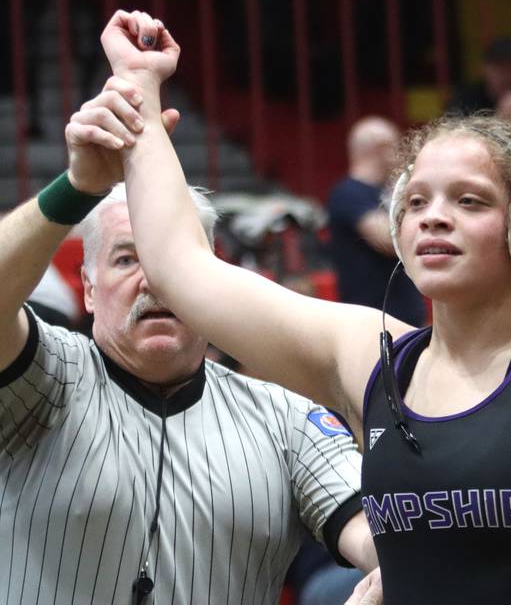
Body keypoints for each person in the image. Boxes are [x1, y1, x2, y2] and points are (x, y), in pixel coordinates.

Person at [103, 10, 511, 603]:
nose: (433, 217)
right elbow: (180, 268)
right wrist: (141, 88)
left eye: (469, 201)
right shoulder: (373, 360)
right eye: (416, 201)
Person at [0, 78, 379, 604]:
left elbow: (379, 536)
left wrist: (396, 570)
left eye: (169, 263)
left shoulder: (287, 420)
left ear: (207, 280)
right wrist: (77, 187)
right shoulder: (46, 377)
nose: (152, 280)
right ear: (87, 287)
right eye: (127, 259)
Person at [327, 116, 426, 326]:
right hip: (373, 320)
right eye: (396, 145)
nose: (400, 154)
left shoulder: (386, 192)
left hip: (403, 316)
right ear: (382, 148)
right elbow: (387, 240)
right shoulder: (348, 192)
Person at [446, 35, 511, 118]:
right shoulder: (465, 97)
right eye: (499, 68)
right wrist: (501, 118)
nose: (506, 76)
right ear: (484, 68)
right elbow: (452, 133)